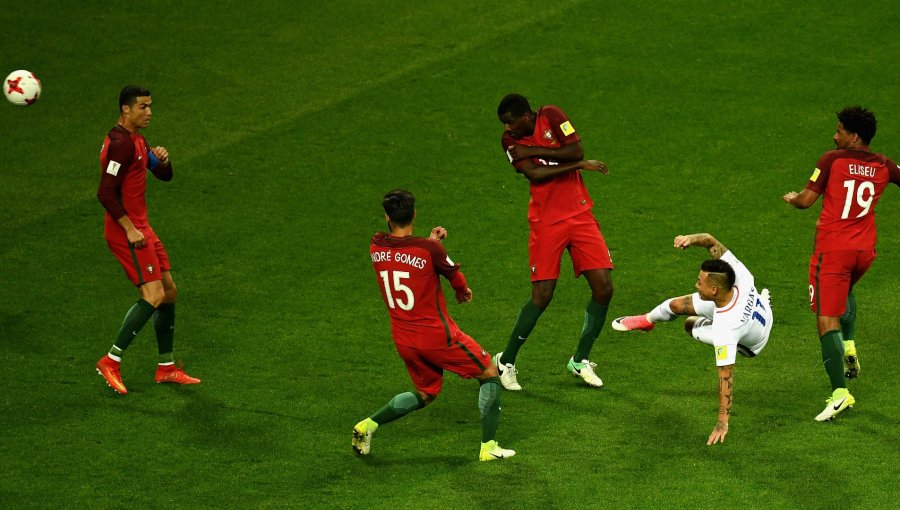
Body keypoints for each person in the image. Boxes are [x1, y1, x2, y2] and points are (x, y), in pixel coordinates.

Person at [353, 189, 515, 462]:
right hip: (438, 337)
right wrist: (462, 291)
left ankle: (368, 425)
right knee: (489, 371)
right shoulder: (431, 250)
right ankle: (489, 446)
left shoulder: (376, 244)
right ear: (414, 214)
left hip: (404, 339)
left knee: (426, 393)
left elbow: (404, 259)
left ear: (387, 217)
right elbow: (456, 278)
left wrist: (429, 243)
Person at [783, 106, 900, 421]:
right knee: (845, 290)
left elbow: (806, 201)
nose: (835, 136)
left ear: (854, 135)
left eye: (839, 131)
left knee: (826, 320)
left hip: (832, 252)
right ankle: (848, 345)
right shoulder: (885, 165)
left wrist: (793, 197)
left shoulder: (831, 160)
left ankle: (840, 394)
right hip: (864, 252)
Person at [494, 93, 612, 390]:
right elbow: (536, 173)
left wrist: (537, 148)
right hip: (546, 222)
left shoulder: (552, 116)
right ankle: (505, 362)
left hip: (580, 213)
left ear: (525, 116)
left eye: (511, 123)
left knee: (604, 288)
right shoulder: (508, 142)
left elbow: (576, 149)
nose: (508, 130)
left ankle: (580, 359)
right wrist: (577, 165)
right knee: (542, 295)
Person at [611, 233, 772, 445]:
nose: (696, 284)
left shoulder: (726, 330)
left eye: (699, 282)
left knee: (689, 324)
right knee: (677, 305)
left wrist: (722, 421)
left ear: (713, 289)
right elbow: (710, 241)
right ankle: (647, 320)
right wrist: (690, 239)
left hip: (752, 342)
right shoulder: (739, 275)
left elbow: (726, 377)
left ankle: (698, 323)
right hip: (752, 309)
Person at [95, 85, 200, 395]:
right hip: (127, 230)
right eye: (143, 107)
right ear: (126, 110)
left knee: (168, 292)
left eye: (150, 106)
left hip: (142, 227)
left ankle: (166, 367)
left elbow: (162, 175)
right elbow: (105, 192)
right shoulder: (120, 145)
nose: (149, 112)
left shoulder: (137, 140)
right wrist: (128, 228)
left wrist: (163, 161)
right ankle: (111, 360)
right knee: (152, 294)